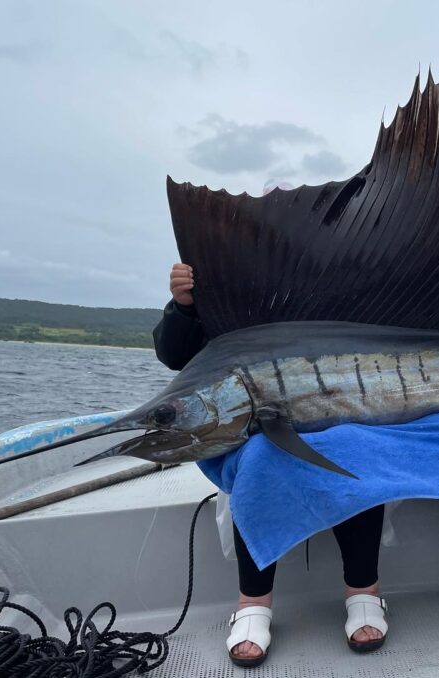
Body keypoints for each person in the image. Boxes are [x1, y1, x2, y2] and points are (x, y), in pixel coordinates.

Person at [153, 182, 388, 668]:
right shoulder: (224, 278)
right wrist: (184, 307)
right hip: (251, 429)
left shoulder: (343, 279)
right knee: (261, 457)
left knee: (352, 446)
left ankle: (363, 591)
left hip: (338, 421)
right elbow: (175, 356)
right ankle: (252, 603)